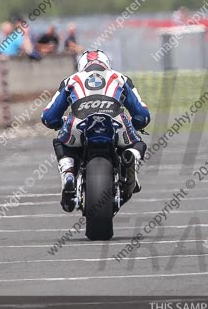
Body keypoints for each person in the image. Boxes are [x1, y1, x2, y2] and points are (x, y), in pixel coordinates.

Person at [41, 49, 151, 212]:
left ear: (81, 66)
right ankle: (132, 158)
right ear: (107, 64)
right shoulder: (119, 78)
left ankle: (68, 173)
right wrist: (136, 125)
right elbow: (142, 114)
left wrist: (59, 123)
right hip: (115, 121)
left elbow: (48, 116)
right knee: (137, 143)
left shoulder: (71, 80)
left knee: (62, 142)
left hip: (78, 123)